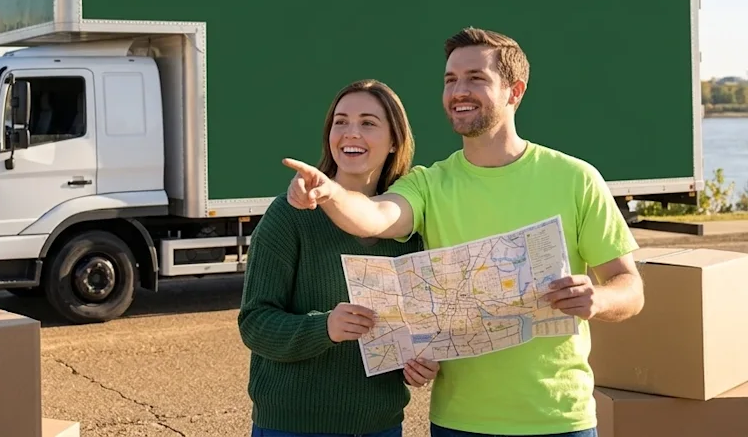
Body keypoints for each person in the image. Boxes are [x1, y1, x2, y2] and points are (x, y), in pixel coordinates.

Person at [283, 28, 645, 437]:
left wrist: (597, 298)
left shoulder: (576, 179)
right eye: (450, 79)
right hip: (459, 423)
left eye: (476, 78)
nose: (459, 91)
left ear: (515, 91)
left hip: (559, 419)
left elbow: (630, 288)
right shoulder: (429, 183)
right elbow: (376, 216)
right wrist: (331, 192)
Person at [239, 79, 440, 437]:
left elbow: (409, 331)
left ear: (395, 140)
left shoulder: (410, 228)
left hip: (380, 428)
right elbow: (255, 323)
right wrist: (325, 327)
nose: (351, 133)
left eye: (368, 122)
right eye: (340, 121)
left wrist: (419, 362)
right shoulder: (290, 215)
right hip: (291, 428)